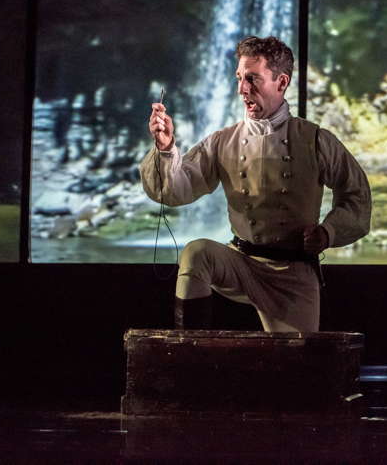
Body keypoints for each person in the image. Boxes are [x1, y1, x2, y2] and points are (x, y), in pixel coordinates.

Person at [141, 35, 371, 333]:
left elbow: (357, 196)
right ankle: (188, 352)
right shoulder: (223, 140)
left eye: (252, 79)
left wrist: (328, 232)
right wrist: (165, 147)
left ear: (282, 82)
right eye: (239, 78)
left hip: (293, 274)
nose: (242, 90)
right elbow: (175, 189)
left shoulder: (315, 140)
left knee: (295, 369)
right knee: (196, 254)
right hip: (241, 262)